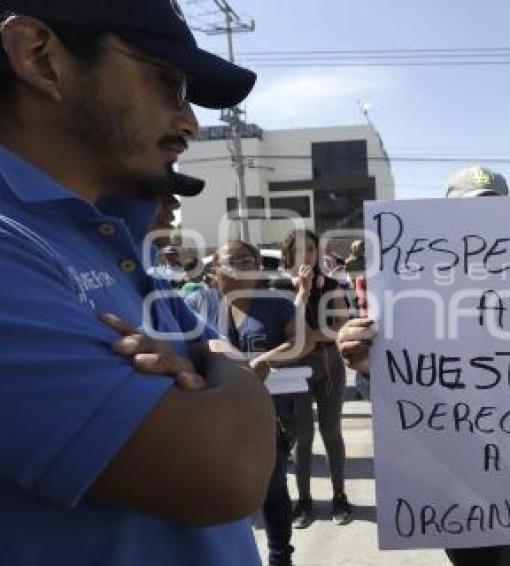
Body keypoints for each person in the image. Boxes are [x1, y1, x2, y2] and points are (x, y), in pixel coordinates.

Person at [0, 2, 277, 565]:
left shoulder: (104, 234)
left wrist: (219, 369)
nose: (188, 121)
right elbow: (225, 469)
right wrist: (225, 378)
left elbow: (221, 354)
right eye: (167, 82)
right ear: (39, 57)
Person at [336, 166, 510, 566]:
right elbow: (392, 393)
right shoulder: (410, 290)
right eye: (468, 212)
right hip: (460, 481)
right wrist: (366, 365)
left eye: (494, 211)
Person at [186, 241, 316, 566]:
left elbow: (304, 339)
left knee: (272, 489)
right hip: (210, 417)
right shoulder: (195, 304)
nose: (245, 264)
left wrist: (266, 362)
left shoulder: (277, 304)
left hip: (266, 416)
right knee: (222, 494)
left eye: (250, 259)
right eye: (235, 259)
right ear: (215, 269)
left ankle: (280, 557)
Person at [278, 229, 354, 528]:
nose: (305, 256)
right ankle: (304, 501)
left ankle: (339, 496)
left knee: (331, 431)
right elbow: (286, 332)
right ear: (288, 256)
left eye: (309, 249)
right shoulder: (279, 289)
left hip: (329, 365)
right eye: (297, 251)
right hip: (295, 369)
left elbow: (341, 329)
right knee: (303, 437)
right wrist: (303, 292)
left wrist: (309, 336)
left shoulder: (333, 286)